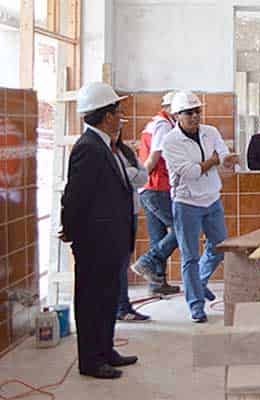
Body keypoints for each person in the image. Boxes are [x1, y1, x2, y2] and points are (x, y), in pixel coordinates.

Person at [60, 82, 138, 379]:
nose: (121, 117)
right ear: (106, 117)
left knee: (107, 297)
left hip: (111, 238)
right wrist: (71, 231)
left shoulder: (105, 146)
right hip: (95, 241)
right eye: (118, 112)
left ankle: (106, 351)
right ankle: (91, 361)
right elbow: (75, 196)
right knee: (92, 300)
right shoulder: (89, 149)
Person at [161, 91, 240, 323]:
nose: (195, 116)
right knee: (190, 257)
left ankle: (200, 282)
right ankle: (196, 305)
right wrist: (213, 161)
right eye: (189, 113)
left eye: (197, 111)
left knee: (219, 247)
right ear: (177, 116)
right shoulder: (170, 141)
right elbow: (191, 172)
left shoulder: (210, 132)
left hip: (212, 199)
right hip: (186, 203)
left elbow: (223, 154)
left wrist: (225, 159)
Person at [130, 91, 181, 297]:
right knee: (182, 228)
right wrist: (141, 180)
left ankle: (157, 282)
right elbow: (154, 157)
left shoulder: (154, 122)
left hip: (149, 188)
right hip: (156, 187)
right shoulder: (164, 125)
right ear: (171, 109)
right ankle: (147, 261)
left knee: (158, 235)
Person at [114, 130, 152, 322]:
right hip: (112, 215)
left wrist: (127, 173)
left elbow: (143, 177)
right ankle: (119, 307)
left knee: (123, 261)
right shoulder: (96, 150)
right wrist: (129, 173)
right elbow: (115, 178)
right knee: (115, 263)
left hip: (131, 212)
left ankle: (123, 306)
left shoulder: (125, 152)